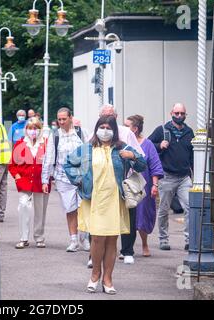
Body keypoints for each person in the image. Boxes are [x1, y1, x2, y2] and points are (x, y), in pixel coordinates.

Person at [64, 115, 146, 294]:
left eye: (109, 127)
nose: (105, 130)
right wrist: (79, 180)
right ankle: (95, 275)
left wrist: (132, 155)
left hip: (115, 200)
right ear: (96, 128)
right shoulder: (87, 148)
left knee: (111, 240)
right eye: (102, 126)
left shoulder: (121, 148)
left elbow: (142, 164)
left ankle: (108, 279)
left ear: (115, 130)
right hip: (93, 200)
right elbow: (68, 163)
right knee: (97, 238)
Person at [98, 104, 144, 265]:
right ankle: (95, 254)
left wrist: (131, 156)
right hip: (101, 184)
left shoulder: (126, 133)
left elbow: (140, 155)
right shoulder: (95, 134)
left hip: (124, 182)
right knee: (99, 218)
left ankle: (127, 251)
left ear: (116, 117)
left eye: (110, 115)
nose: (107, 120)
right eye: (104, 116)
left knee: (128, 218)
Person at [42, 107, 90, 252]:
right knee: (70, 209)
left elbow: (89, 153)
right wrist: (45, 179)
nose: (61, 122)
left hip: (82, 177)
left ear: (70, 118)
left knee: (84, 208)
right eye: (59, 119)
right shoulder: (55, 136)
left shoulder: (81, 133)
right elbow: (49, 157)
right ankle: (73, 240)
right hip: (63, 178)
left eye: (64, 119)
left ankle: (85, 238)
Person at [148, 103, 194, 251]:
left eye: (182, 113)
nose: (179, 116)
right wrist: (159, 145)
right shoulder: (162, 130)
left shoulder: (189, 132)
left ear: (185, 115)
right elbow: (147, 145)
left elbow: (192, 154)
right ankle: (163, 239)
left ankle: (189, 239)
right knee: (163, 209)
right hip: (167, 176)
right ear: (171, 113)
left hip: (184, 177)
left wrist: (195, 174)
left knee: (189, 207)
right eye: (177, 113)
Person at [124, 115, 164, 257]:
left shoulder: (148, 145)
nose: (123, 128)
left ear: (134, 129)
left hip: (143, 185)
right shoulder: (122, 143)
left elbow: (155, 166)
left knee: (142, 215)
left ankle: (144, 243)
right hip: (125, 184)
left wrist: (155, 185)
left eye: (126, 125)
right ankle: (126, 247)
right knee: (126, 216)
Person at [8, 117, 50, 249]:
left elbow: (50, 163)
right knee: (23, 205)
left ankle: (39, 237)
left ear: (40, 130)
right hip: (24, 181)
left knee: (40, 210)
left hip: (41, 182)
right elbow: (12, 164)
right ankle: (23, 237)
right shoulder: (20, 143)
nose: (33, 131)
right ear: (26, 130)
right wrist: (17, 176)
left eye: (36, 128)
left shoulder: (46, 144)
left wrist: (49, 179)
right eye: (30, 128)